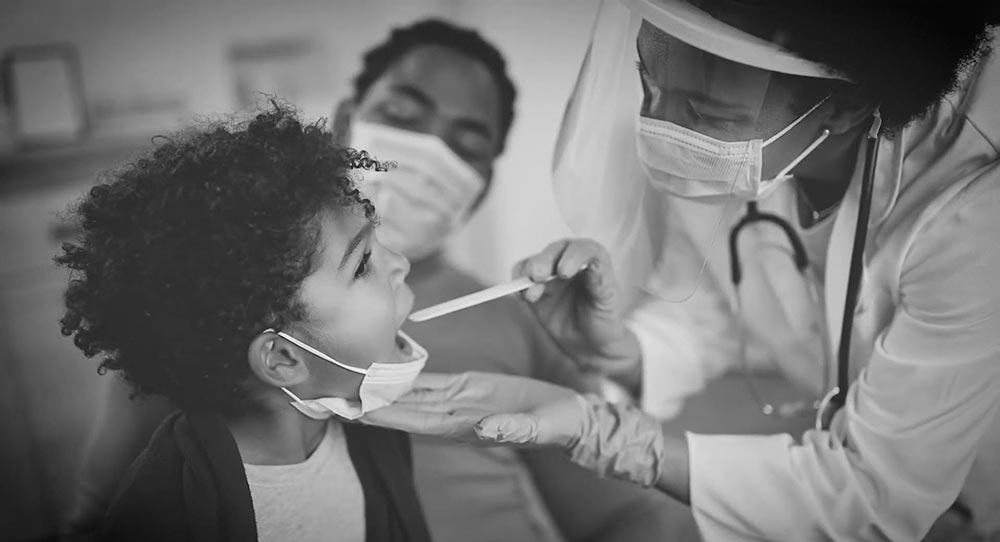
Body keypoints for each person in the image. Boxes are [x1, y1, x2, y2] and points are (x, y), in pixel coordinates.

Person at [358, 1, 1000, 540]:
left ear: (843, 106)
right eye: (651, 87)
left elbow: (874, 495)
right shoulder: (736, 154)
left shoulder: (968, 212)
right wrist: (620, 353)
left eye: (705, 114)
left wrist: (608, 436)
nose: (661, 129)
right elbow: (716, 314)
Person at [64, 18, 675, 542]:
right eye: (403, 114)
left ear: (484, 181)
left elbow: (621, 513)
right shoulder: (200, 319)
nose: (427, 151)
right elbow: (99, 515)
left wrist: (606, 376)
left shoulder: (527, 319)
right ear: (346, 122)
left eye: (466, 142)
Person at [57, 103, 431, 541]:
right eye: (363, 264)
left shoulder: (379, 437)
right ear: (284, 359)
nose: (401, 264)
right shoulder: (164, 516)